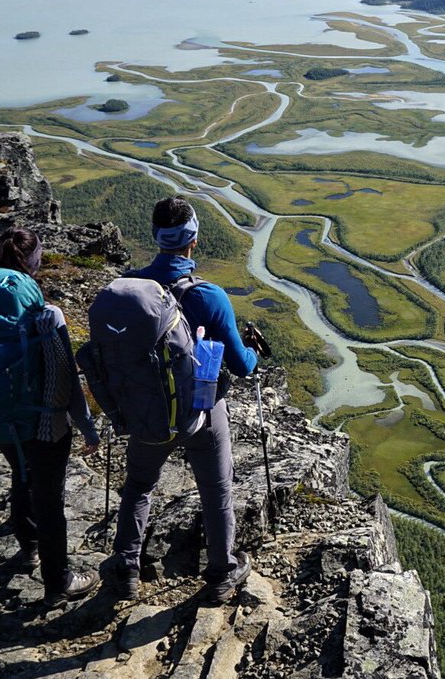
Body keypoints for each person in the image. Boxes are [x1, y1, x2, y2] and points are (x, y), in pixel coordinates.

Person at [0, 227, 102, 607]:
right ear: (34, 261)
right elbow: (66, 379)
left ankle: (29, 550)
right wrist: (87, 428)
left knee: (21, 472)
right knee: (49, 497)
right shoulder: (46, 315)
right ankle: (59, 582)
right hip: (41, 421)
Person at [111, 196, 260, 604]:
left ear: (155, 236)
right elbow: (241, 366)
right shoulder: (209, 297)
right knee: (216, 490)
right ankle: (221, 574)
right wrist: (253, 351)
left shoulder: (130, 290)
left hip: (146, 412)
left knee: (139, 486)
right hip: (202, 412)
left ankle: (126, 569)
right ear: (193, 240)